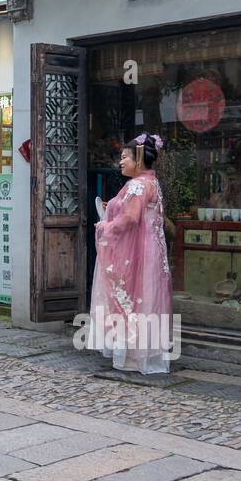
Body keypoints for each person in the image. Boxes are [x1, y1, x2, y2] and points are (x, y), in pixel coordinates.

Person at [85, 133, 174, 375]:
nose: (121, 162)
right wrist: (111, 207)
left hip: (138, 253)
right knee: (146, 298)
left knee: (132, 297)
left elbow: (130, 218)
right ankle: (144, 355)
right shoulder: (151, 182)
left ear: (138, 159)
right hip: (151, 251)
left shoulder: (137, 185)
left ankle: (134, 357)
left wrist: (106, 226)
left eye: (124, 157)